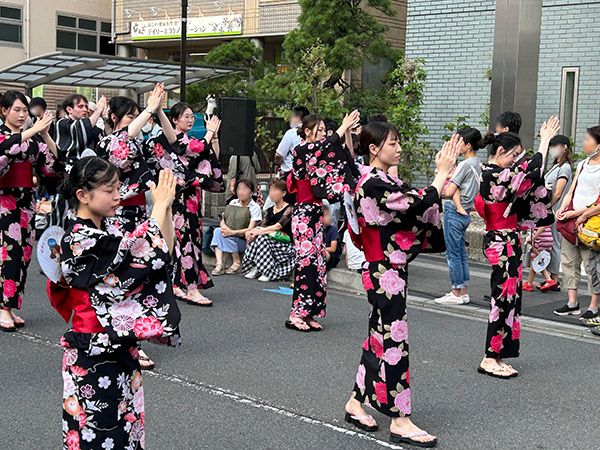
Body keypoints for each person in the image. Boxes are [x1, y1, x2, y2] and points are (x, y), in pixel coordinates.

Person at [47, 157, 181, 449]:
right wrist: (157, 207)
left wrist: (166, 206)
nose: (118, 195)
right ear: (82, 195)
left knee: (127, 428)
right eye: (110, 189)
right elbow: (139, 252)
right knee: (98, 433)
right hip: (91, 349)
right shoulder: (77, 239)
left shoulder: (109, 230)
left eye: (119, 187)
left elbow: (159, 252)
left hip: (119, 344)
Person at [344, 121, 459, 448]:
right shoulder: (374, 182)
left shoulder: (380, 180)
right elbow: (420, 205)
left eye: (398, 142)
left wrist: (441, 180)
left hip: (383, 267)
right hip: (384, 269)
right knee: (395, 340)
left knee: (379, 339)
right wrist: (440, 174)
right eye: (392, 143)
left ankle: (356, 401)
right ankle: (400, 419)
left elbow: (419, 201)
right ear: (374, 149)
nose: (398, 148)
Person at [95, 83, 178, 369]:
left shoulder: (140, 144)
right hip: (115, 218)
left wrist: (160, 111)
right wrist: (148, 109)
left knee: (144, 276)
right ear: (115, 119)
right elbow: (120, 144)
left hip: (140, 214)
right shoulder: (106, 144)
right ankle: (120, 339)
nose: (138, 121)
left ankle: (133, 339)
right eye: (131, 116)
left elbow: (173, 144)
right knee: (121, 278)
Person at [476, 117, 559, 379]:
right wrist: (544, 141)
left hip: (508, 238)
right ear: (500, 152)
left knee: (510, 297)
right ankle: (489, 357)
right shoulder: (490, 174)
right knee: (502, 297)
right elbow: (530, 171)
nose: (515, 160)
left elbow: (528, 174)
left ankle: (497, 354)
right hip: (500, 240)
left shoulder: (501, 173)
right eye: (512, 155)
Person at [285, 111, 359, 332]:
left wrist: (346, 132)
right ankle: (296, 313)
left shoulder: (318, 150)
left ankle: (309, 313)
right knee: (306, 263)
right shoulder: (300, 150)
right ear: (307, 131)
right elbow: (324, 148)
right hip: (303, 212)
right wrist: (341, 128)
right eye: (318, 131)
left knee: (317, 264)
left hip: (315, 211)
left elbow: (344, 156)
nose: (323, 135)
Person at [0, 90, 61, 332]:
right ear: (4, 111)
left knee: (24, 254)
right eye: (17, 109)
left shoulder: (32, 139)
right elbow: (5, 150)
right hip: (4, 201)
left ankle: (10, 306)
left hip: (26, 201)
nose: (22, 114)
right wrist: (33, 131)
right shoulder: (5, 136)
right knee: (9, 254)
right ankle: (3, 307)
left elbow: (54, 165)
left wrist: (46, 135)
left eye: (25, 110)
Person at [165, 102, 224, 306]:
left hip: (192, 197)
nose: (190, 120)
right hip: (179, 197)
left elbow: (209, 158)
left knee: (190, 240)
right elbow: (196, 150)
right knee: (186, 241)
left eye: (192, 116)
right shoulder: (173, 140)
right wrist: (208, 134)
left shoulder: (190, 140)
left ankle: (178, 284)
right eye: (186, 116)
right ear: (174, 120)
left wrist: (213, 137)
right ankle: (190, 288)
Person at [554, 126, 600, 320]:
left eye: (587, 139)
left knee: (592, 266)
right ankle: (572, 302)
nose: (584, 142)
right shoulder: (582, 164)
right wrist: (563, 209)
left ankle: (593, 306)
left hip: (591, 223)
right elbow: (571, 191)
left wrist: (580, 214)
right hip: (573, 220)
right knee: (569, 261)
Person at [435, 128, 483, 305]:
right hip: (467, 211)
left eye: (460, 142)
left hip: (454, 211)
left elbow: (448, 192)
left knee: (453, 254)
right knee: (461, 253)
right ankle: (463, 292)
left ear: (468, 145)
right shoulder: (478, 163)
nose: (457, 146)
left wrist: (441, 181)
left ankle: (455, 292)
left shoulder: (464, 164)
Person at [52, 94, 107, 228]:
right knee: (63, 217)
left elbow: (105, 138)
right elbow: (80, 129)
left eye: (86, 107)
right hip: (68, 178)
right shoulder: (62, 124)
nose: (85, 110)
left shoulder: (90, 125)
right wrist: (98, 110)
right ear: (69, 109)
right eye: (80, 106)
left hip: (88, 179)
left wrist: (105, 118)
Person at [243, 178, 295, 282]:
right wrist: (250, 232)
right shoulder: (269, 210)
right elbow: (262, 226)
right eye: (270, 190)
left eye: (275, 190)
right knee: (258, 236)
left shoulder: (289, 209)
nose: (271, 193)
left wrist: (258, 232)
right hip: (269, 242)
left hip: (284, 244)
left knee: (261, 237)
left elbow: (277, 226)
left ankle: (268, 271)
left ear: (283, 193)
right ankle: (259, 267)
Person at [211, 179, 262, 276]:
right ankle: (219, 264)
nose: (241, 192)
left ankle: (237, 261)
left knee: (227, 235)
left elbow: (250, 229)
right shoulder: (233, 203)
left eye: (244, 189)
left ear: (251, 192)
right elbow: (223, 220)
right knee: (218, 231)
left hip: (244, 240)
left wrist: (232, 232)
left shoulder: (255, 207)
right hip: (230, 235)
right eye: (239, 189)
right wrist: (225, 228)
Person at [541, 135, 573, 288]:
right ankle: (551, 277)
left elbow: (558, 192)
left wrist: (548, 207)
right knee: (550, 242)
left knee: (554, 243)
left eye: (556, 145)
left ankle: (555, 279)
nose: (553, 148)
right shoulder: (556, 166)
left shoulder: (564, 167)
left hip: (556, 210)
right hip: (552, 210)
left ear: (564, 147)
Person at [274, 105, 309, 177]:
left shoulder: (291, 133)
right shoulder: (311, 132)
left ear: (299, 119)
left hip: (290, 173)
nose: (291, 119)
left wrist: (277, 164)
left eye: (292, 117)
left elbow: (279, 155)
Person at [523, 225, 556, 291]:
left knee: (537, 260)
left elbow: (542, 227)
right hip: (548, 238)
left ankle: (548, 279)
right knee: (534, 261)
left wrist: (533, 238)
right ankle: (529, 283)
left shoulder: (539, 215)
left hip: (540, 239)